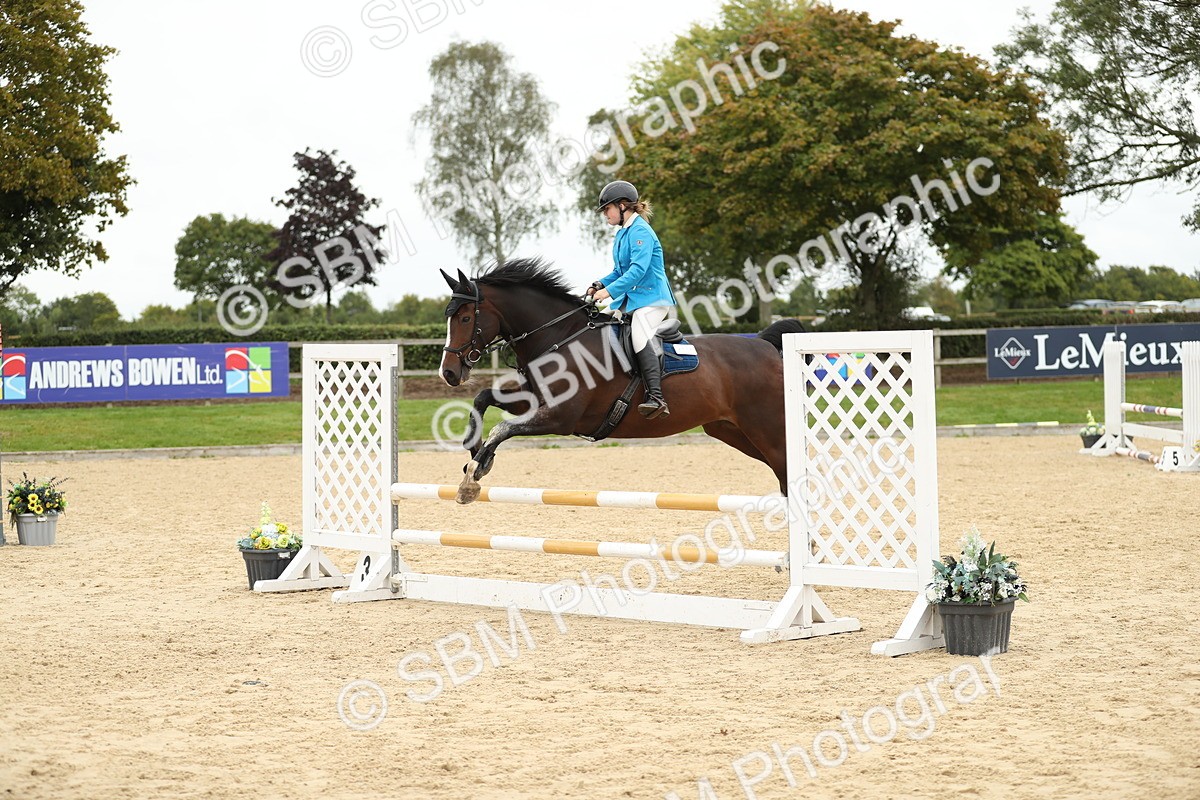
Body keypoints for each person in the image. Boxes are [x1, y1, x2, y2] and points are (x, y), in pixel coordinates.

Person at [586, 180, 676, 419]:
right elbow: (619, 271)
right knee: (600, 327)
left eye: (607, 209)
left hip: (652, 299)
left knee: (638, 336)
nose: (605, 214)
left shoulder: (641, 232)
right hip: (632, 299)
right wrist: (600, 284)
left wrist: (609, 292)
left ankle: (656, 398)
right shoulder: (623, 233)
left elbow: (637, 271)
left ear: (623, 206)